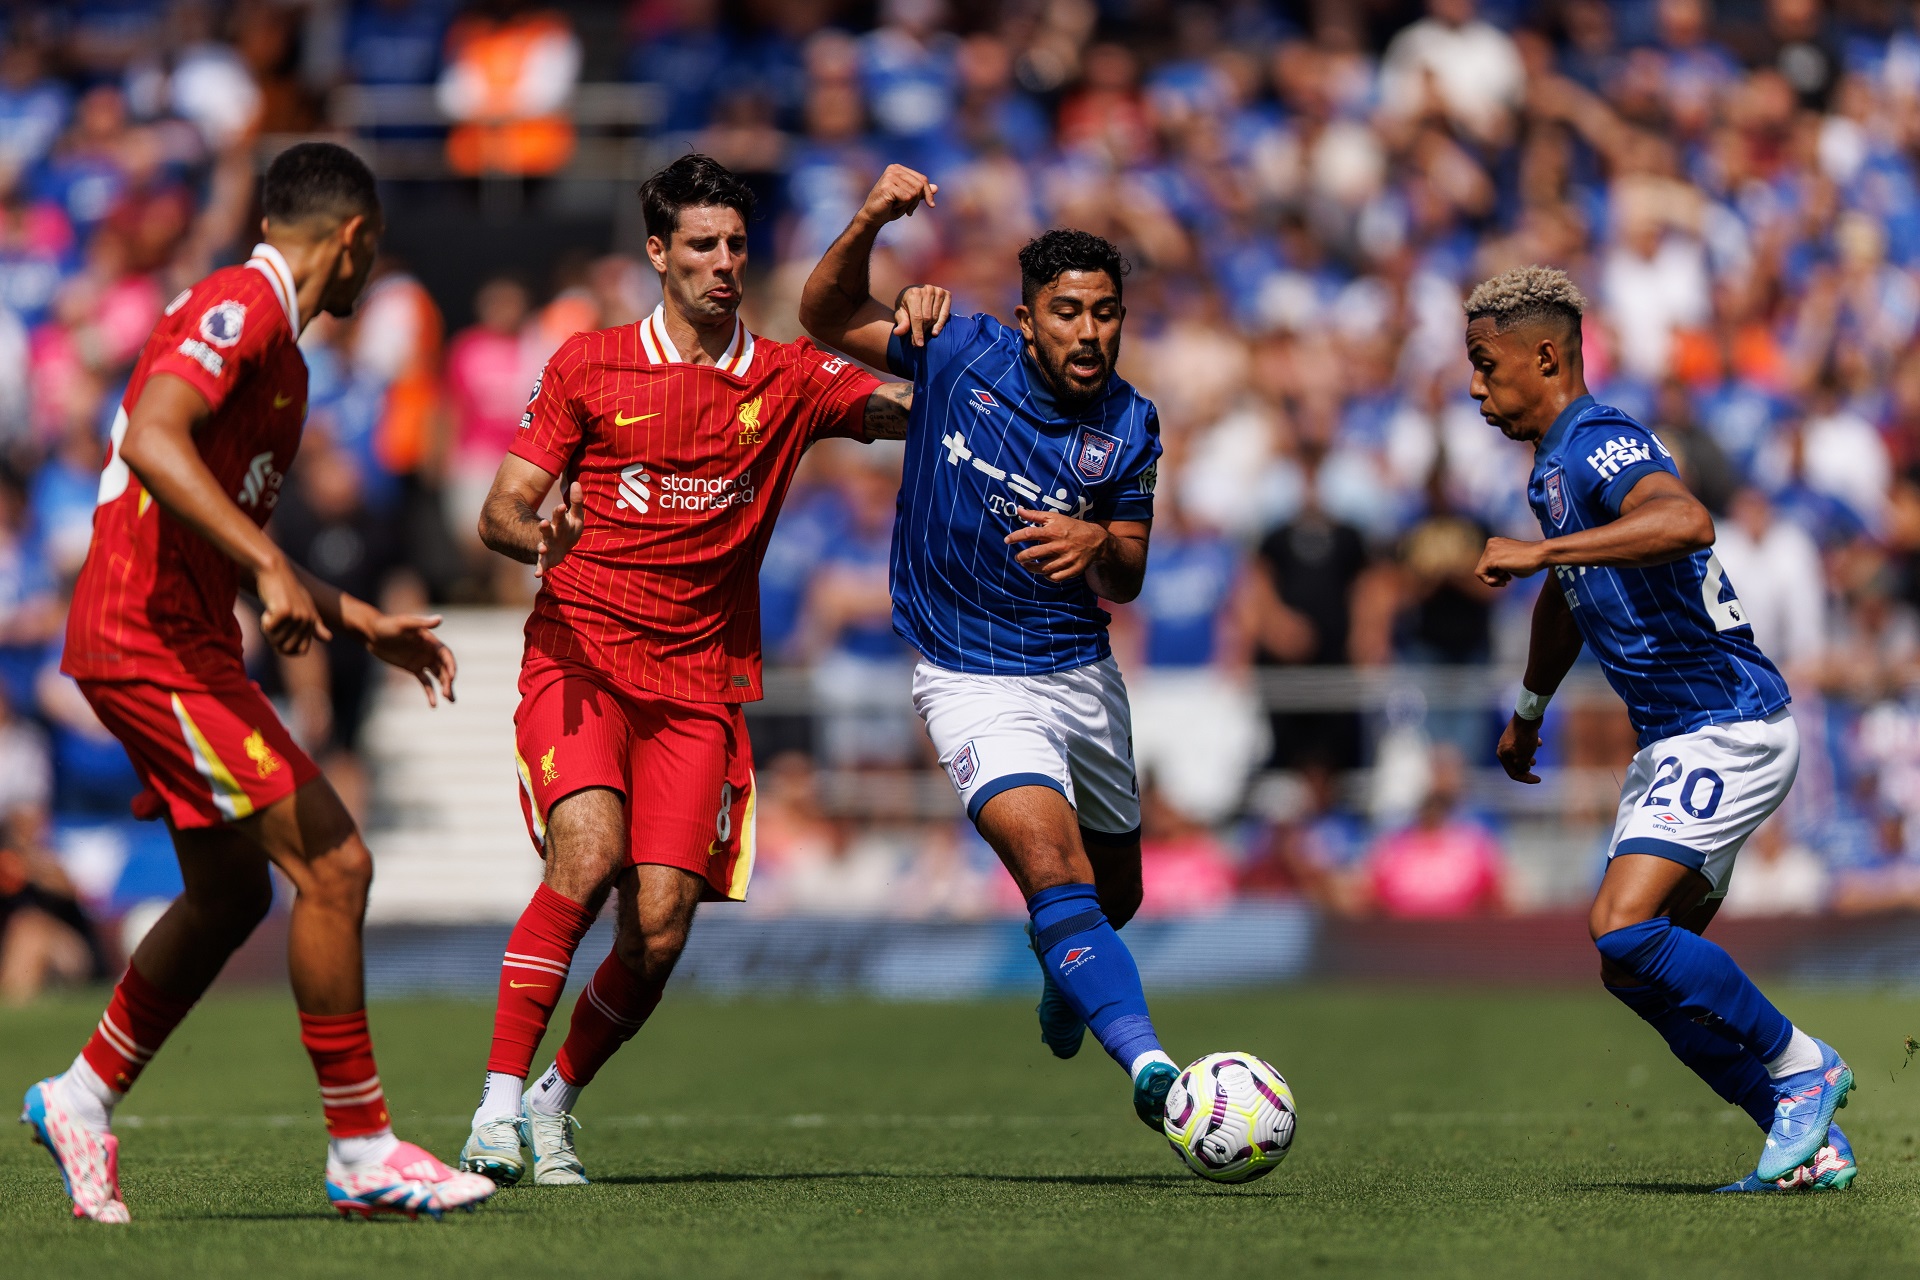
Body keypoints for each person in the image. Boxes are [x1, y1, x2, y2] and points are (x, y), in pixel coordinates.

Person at [20, 143, 492, 1223]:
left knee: (233, 893)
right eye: (375, 250)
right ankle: (362, 1148)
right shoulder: (241, 306)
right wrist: (273, 566)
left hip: (180, 638)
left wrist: (356, 617)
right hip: (146, 634)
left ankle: (80, 1096)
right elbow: (153, 440)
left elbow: (222, 527)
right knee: (336, 864)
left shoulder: (287, 364)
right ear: (354, 240)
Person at [459, 154, 913, 1187]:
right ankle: (493, 1107)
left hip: (701, 682)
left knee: (659, 929)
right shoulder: (589, 364)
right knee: (587, 855)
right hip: (580, 655)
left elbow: (906, 404)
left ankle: (554, 1100)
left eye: (736, 245)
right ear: (658, 254)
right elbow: (499, 510)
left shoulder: (787, 377)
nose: (723, 263)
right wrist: (541, 536)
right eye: (702, 245)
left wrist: (955, 347)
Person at [800, 165, 1181, 1133]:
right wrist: (873, 219)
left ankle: (1067, 970)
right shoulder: (956, 351)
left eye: (1105, 313)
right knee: (1053, 865)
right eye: (1067, 313)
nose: (1089, 333)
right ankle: (1156, 1072)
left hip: (1078, 671)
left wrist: (1098, 544)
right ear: (1026, 320)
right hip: (969, 676)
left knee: (1116, 893)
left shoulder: (1131, 424)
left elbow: (1130, 573)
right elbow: (824, 313)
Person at [1467, 265, 1855, 1195]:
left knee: (1621, 924)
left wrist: (1543, 550)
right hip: (1683, 736)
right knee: (1636, 969)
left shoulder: (1599, 441)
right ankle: (1809, 1143)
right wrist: (1529, 710)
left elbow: (1685, 519)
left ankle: (1804, 1066)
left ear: (1545, 357)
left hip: (1725, 723)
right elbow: (1567, 595)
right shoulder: (1551, 469)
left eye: (1486, 364)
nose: (1475, 387)